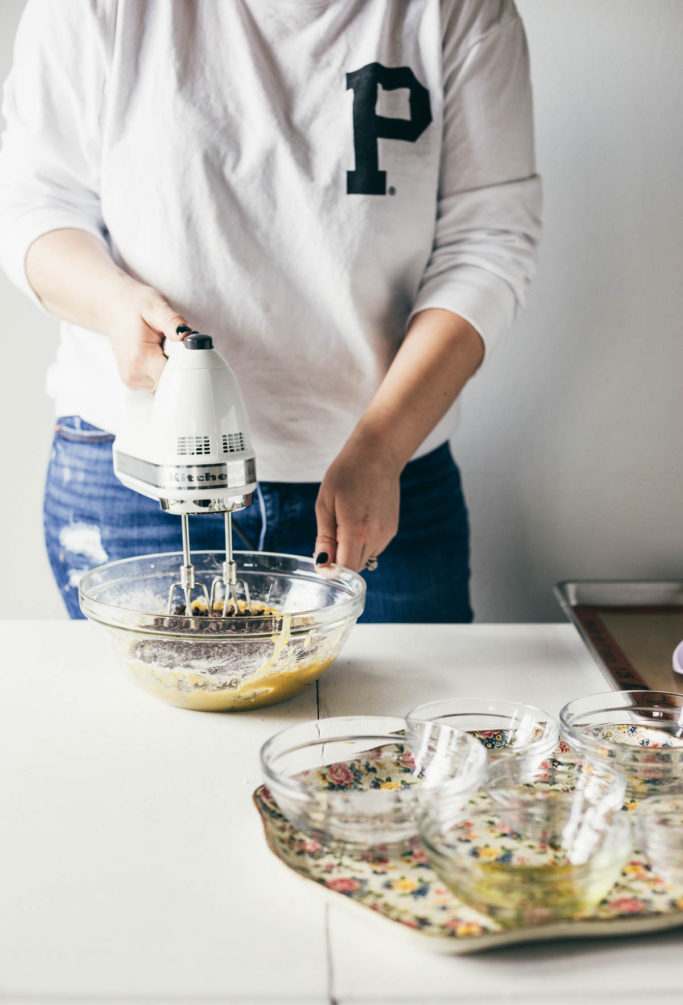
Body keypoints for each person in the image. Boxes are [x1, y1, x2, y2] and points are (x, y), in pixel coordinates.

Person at [0, 0, 541, 623]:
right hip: (143, 472)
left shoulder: (460, 11)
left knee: (392, 721)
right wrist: (113, 303)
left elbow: (488, 242)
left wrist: (383, 445)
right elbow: (34, 200)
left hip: (383, 473)